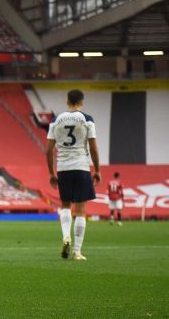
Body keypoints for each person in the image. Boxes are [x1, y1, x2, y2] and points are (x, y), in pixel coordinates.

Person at [46, 89, 101, 261]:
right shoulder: (87, 119)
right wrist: (97, 169)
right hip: (81, 167)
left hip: (63, 168)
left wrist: (51, 173)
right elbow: (93, 147)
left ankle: (65, 237)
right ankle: (77, 251)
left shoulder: (56, 120)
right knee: (81, 210)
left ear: (67, 101)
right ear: (81, 102)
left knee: (65, 206)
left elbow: (48, 150)